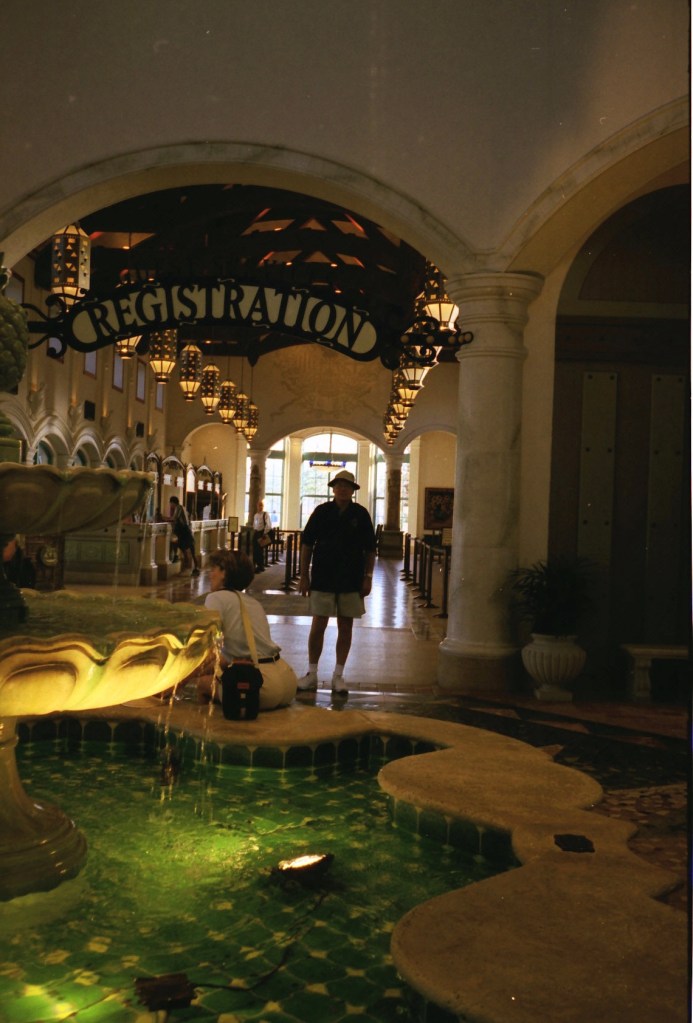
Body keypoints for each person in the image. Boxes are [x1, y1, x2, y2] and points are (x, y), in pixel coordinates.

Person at [298, 469, 376, 696]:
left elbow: (370, 549)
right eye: (339, 485)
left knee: (346, 625)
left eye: (347, 486)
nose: (342, 489)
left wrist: (368, 577)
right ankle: (312, 673)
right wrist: (304, 575)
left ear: (353, 490)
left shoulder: (361, 514)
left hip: (351, 579)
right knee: (318, 625)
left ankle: (338, 675)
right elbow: (307, 544)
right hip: (323, 577)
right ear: (333, 489)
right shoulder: (321, 512)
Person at [199, 549, 296, 710]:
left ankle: (205, 725)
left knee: (203, 684)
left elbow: (205, 650)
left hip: (261, 685)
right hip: (286, 680)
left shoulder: (215, 598)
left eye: (213, 569)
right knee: (216, 674)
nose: (210, 575)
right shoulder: (252, 602)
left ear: (224, 572)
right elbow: (228, 659)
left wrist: (176, 681)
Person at [168, 496, 200, 576]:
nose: (170, 505)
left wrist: (165, 518)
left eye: (171, 503)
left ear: (173, 502)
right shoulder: (183, 508)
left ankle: (186, 567)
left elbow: (174, 518)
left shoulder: (178, 508)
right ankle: (195, 568)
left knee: (183, 548)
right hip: (187, 530)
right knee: (191, 550)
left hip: (184, 532)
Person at [252, 499, 272, 572]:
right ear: (257, 506)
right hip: (256, 533)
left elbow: (268, 524)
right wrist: (254, 530)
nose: (260, 507)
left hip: (262, 533)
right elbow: (255, 524)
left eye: (261, 505)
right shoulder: (256, 515)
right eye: (259, 505)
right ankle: (255, 565)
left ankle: (260, 566)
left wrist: (264, 533)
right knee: (255, 550)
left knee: (260, 551)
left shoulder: (265, 514)